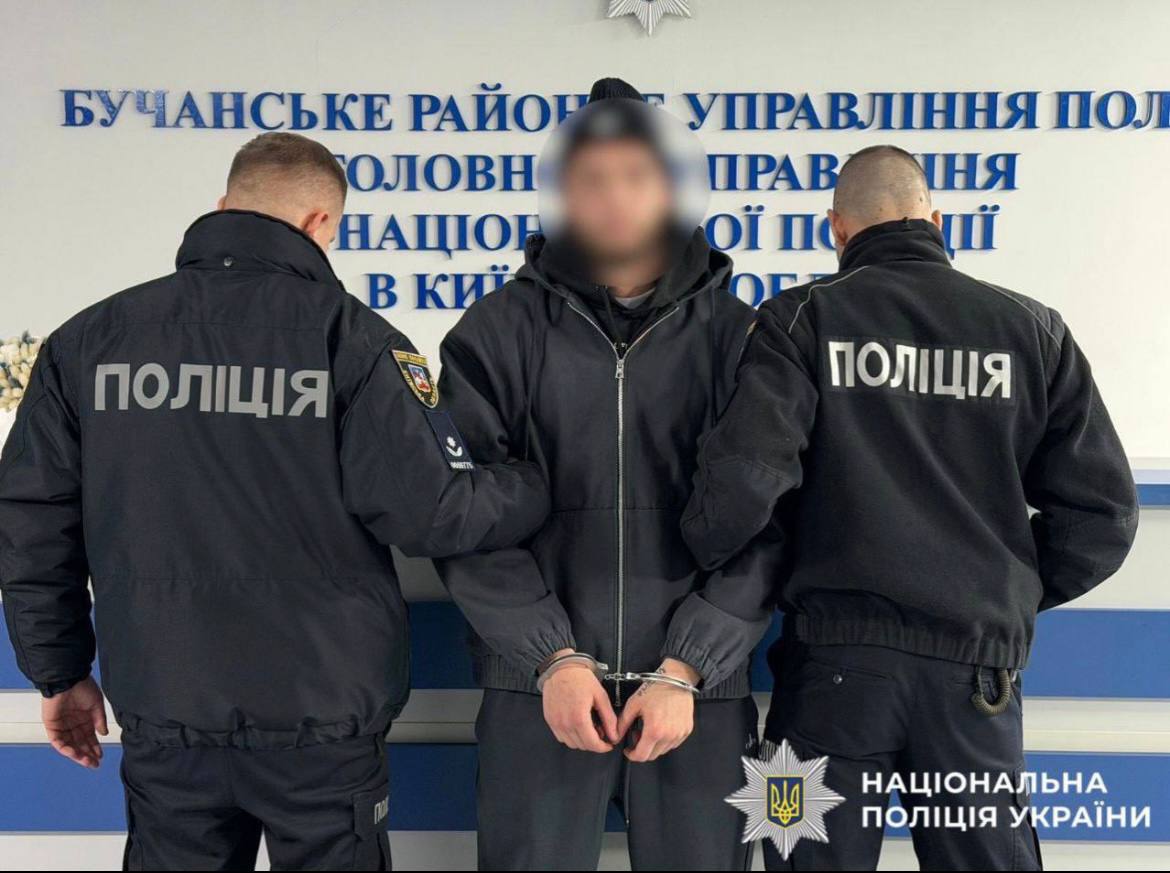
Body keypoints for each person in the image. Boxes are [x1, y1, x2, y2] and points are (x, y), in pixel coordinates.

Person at [0, 131, 550, 871]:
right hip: (321, 714)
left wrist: (60, 671)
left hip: (166, 704)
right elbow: (435, 513)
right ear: (321, 223)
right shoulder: (353, 339)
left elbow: (31, 524)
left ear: (224, 205)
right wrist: (533, 484)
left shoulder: (89, 341)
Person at [681, 144, 1139, 870]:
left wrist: (698, 549)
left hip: (828, 673)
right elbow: (1104, 516)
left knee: (798, 854)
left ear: (836, 228)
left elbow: (743, 485)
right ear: (937, 219)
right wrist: (1002, 592)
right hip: (976, 679)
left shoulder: (800, 319)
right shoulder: (1033, 329)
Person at [434, 77, 780, 870]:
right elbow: (463, 513)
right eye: (592, 179)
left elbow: (771, 518)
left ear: (670, 189)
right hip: (541, 695)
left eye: (634, 176)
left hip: (697, 698)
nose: (614, 198)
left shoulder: (742, 338)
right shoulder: (495, 332)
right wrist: (549, 655)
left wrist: (689, 666)